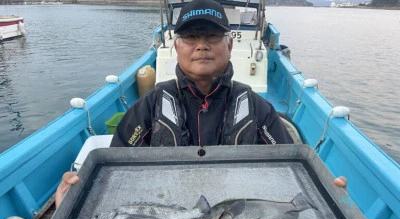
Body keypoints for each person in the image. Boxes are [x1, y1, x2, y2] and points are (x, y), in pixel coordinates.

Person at [55, 0, 347, 208]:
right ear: (177, 46)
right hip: (165, 217)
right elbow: (112, 172)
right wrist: (76, 196)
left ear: (229, 45)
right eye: (191, 36)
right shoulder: (149, 107)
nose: (202, 45)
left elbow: (290, 171)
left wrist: (321, 191)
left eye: (212, 36)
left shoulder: (259, 110)